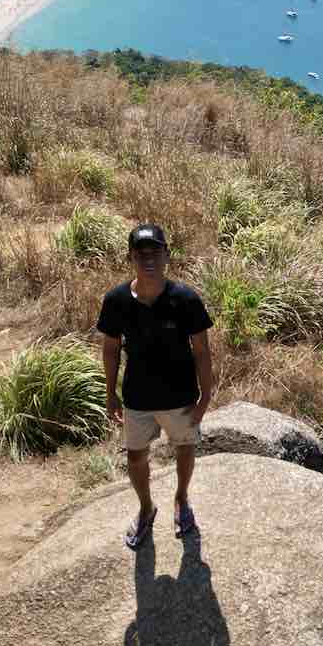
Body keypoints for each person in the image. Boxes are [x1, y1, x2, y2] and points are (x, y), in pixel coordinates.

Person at [97, 223, 214, 549]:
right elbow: (110, 348)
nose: (148, 259)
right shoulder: (117, 300)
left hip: (180, 395)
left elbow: (202, 351)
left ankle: (181, 499)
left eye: (155, 252)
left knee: (184, 448)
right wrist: (110, 393)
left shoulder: (186, 300)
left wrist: (206, 396)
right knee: (136, 456)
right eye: (141, 254)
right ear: (131, 257)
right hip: (138, 396)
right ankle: (146, 507)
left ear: (166, 255)